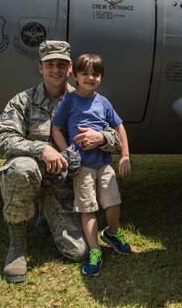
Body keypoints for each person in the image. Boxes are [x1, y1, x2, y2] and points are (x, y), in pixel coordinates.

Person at [0, 41, 121, 283]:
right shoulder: (24, 101)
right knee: (21, 168)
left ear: (70, 68)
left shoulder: (86, 97)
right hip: (33, 176)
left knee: (79, 252)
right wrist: (41, 149)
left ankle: (45, 214)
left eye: (61, 64)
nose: (56, 70)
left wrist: (101, 137)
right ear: (40, 67)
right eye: (50, 64)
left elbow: (117, 138)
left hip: (63, 187)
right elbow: (1, 139)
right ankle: (18, 245)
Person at [52, 53, 131, 277]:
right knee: (88, 207)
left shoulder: (103, 102)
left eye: (95, 74)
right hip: (83, 166)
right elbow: (56, 128)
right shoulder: (69, 101)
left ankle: (112, 233)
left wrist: (125, 155)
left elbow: (120, 126)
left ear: (101, 77)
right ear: (74, 75)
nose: (90, 78)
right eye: (85, 73)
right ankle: (95, 250)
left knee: (113, 201)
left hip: (104, 163)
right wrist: (66, 152)